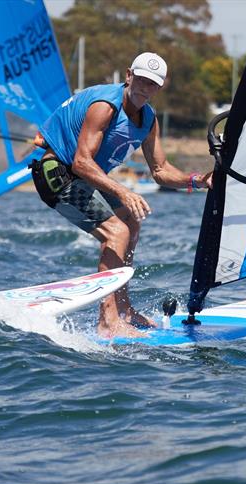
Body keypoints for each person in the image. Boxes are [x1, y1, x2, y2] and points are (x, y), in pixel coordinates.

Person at [30, 52, 213, 338]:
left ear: (159, 88)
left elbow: (161, 170)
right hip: (57, 174)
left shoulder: (148, 119)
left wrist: (198, 180)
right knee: (116, 232)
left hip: (83, 178)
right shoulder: (105, 106)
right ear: (128, 75)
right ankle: (107, 320)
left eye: (152, 84)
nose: (144, 88)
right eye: (140, 79)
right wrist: (123, 191)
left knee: (131, 222)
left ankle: (124, 309)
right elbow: (80, 161)